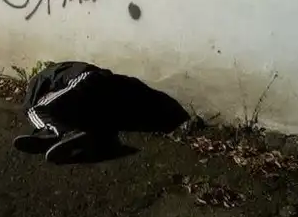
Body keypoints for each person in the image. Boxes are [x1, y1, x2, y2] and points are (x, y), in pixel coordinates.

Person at [12, 61, 190, 164]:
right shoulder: (65, 72)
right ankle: (91, 135)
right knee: (85, 112)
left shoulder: (40, 79)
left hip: (87, 80)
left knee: (35, 110)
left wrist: (34, 113)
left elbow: (30, 106)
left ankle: (56, 132)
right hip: (109, 90)